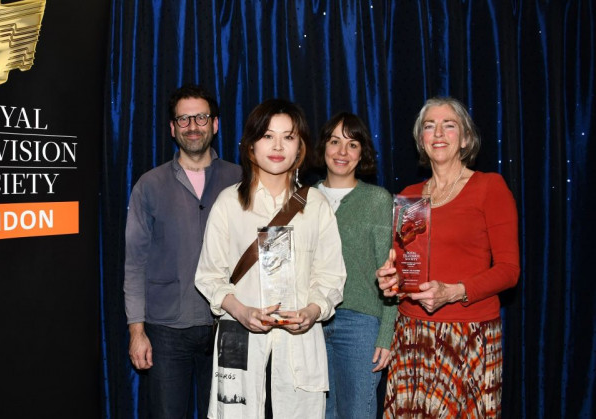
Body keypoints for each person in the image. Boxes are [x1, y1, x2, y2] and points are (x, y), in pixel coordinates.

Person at [195, 99, 346, 418]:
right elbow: (209, 276)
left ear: (300, 147)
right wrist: (241, 310)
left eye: (288, 137)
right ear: (250, 146)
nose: (278, 145)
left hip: (298, 350)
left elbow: (331, 277)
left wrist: (311, 311)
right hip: (240, 341)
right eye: (267, 136)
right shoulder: (229, 203)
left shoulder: (316, 205)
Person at [376, 97, 520, 417]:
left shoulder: (489, 187)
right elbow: (407, 269)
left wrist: (454, 291)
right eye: (429, 126)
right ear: (421, 140)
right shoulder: (410, 196)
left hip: (467, 336)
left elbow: (509, 271)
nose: (438, 132)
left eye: (449, 125)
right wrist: (391, 280)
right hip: (411, 335)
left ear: (465, 138)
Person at [123, 84, 241, 419]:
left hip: (229, 327)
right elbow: (135, 263)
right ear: (173, 128)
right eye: (184, 119)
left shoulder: (240, 180)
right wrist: (137, 331)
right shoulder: (150, 184)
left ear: (215, 124)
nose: (193, 126)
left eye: (201, 117)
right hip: (166, 331)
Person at [311, 112, 396, 418]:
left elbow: (390, 273)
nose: (342, 152)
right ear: (323, 147)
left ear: (362, 153)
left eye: (352, 144)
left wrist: (386, 335)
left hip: (360, 324)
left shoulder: (378, 200)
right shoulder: (302, 199)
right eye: (335, 142)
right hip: (310, 325)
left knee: (357, 412)